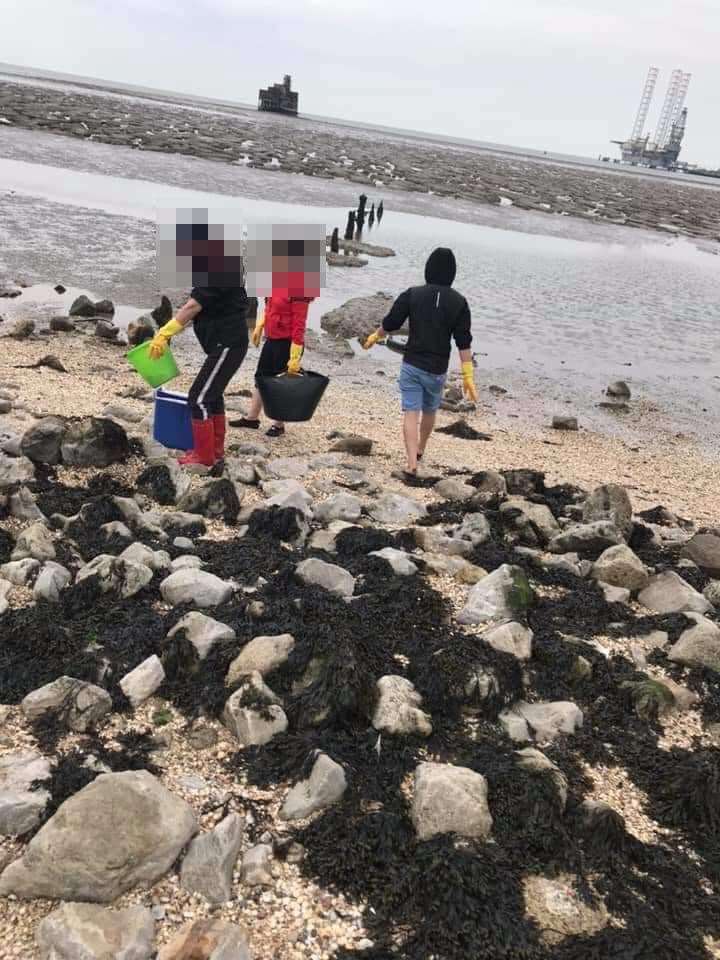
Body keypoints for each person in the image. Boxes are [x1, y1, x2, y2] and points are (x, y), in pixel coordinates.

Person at [362, 247, 476, 475]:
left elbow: (392, 322)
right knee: (430, 410)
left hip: (412, 363)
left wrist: (377, 335)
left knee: (410, 412)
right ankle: (422, 448)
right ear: (452, 273)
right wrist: (468, 375)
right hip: (437, 369)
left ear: (428, 269)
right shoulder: (459, 303)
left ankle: (412, 461)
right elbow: (463, 342)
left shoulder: (412, 294)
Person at [149, 229, 249, 468]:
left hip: (228, 343)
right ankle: (215, 451)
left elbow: (193, 306)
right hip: (223, 342)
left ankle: (204, 456)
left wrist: (165, 332)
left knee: (199, 398)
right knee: (211, 395)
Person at [233, 239, 315, 438]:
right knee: (261, 376)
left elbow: (299, 322)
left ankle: (279, 424)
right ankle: (252, 418)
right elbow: (271, 307)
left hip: (288, 342)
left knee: (281, 383)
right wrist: (261, 324)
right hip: (273, 338)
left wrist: (295, 354)